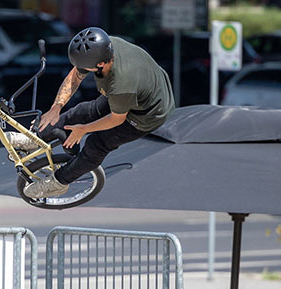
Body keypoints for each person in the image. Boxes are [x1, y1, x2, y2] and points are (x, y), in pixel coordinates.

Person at [11, 27, 175, 199]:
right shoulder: (103, 46)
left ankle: (59, 183)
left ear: (100, 65)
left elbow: (117, 119)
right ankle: (33, 140)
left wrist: (84, 129)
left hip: (148, 113)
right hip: (139, 88)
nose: (80, 70)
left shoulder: (121, 83)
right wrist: (56, 107)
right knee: (83, 111)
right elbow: (75, 76)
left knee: (98, 143)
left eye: (85, 68)